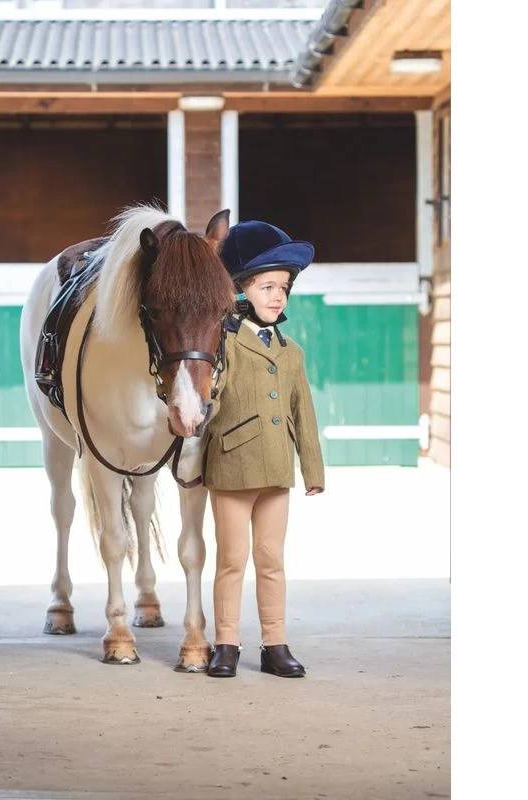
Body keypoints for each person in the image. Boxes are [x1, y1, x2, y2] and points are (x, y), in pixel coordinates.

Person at [204, 220, 325, 679]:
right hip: (232, 468)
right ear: (240, 290)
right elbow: (207, 405)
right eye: (268, 286)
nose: (278, 296)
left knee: (271, 559)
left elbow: (303, 412)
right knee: (231, 560)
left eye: (284, 288)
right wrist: (194, 461)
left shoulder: (290, 350)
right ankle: (226, 643)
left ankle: (275, 643)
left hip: (276, 469)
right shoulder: (223, 343)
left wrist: (312, 468)